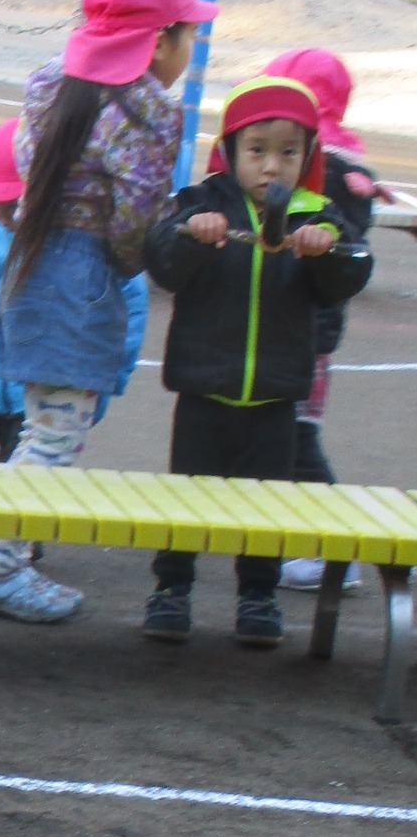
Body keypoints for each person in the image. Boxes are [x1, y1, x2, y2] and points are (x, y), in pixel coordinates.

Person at [0, 0, 214, 625]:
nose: (189, 51)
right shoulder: (147, 108)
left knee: (41, 429)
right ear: (159, 41)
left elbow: (26, 164)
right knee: (55, 439)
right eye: (189, 37)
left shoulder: (48, 80)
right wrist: (134, 265)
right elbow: (135, 218)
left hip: (30, 259)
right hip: (84, 273)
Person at [140, 75, 371, 647]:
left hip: (275, 393)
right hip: (203, 385)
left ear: (308, 157)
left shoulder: (317, 215)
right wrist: (192, 237)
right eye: (258, 151)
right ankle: (172, 588)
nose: (273, 167)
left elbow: (351, 273)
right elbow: (162, 263)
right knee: (187, 497)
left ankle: (258, 595)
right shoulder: (199, 204)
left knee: (266, 504)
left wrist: (324, 250)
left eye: (289, 152)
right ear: (230, 151)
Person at [0, 118, 147, 460]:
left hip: (61, 377)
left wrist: (115, 370)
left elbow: (130, 305)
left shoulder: (83, 247)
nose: (5, 214)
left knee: (33, 459)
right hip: (2, 379)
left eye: (14, 205)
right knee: (11, 451)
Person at [264, 48, 378, 593]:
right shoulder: (351, 173)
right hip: (316, 331)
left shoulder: (320, 171)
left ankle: (339, 545)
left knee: (296, 436)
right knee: (288, 433)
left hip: (297, 329)